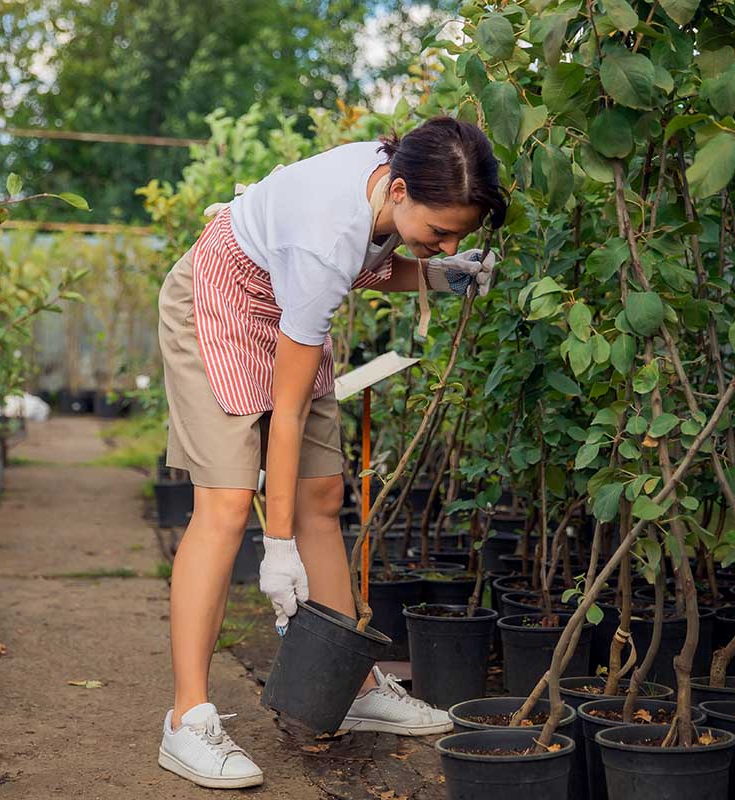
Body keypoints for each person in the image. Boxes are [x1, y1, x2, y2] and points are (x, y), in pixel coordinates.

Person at [155, 116, 507, 789]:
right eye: (442, 232)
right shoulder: (325, 240)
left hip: (287, 312)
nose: (451, 243)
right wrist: (276, 546)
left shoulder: (387, 182)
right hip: (219, 306)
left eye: (462, 235)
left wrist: (441, 274)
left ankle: (353, 683)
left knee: (322, 493)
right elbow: (283, 415)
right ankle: (187, 718)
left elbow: (373, 267)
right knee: (227, 505)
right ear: (399, 191)